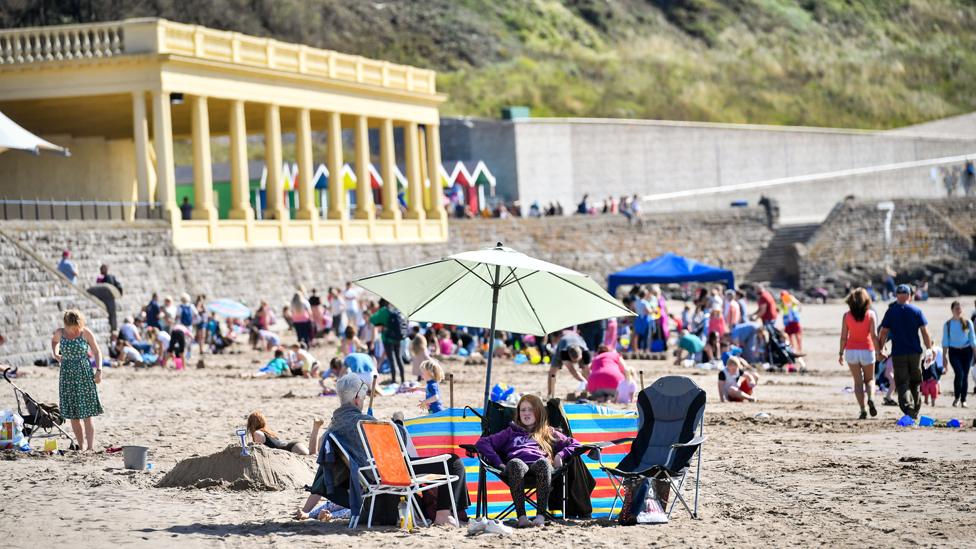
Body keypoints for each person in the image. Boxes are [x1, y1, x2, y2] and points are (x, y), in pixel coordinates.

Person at [299, 374, 469, 525]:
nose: (364, 401)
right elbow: (398, 442)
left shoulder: (334, 425)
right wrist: (399, 422)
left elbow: (324, 460)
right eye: (364, 397)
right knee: (453, 462)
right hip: (388, 473)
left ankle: (450, 513)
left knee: (446, 463)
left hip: (368, 477)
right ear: (357, 398)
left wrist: (306, 509)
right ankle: (444, 514)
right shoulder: (363, 422)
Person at [474, 394, 580, 528]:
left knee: (543, 463)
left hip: (542, 467)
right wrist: (499, 463)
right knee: (515, 463)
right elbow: (483, 443)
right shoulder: (510, 432)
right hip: (516, 468)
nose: (526, 413)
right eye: (523, 410)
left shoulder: (547, 432)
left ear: (539, 412)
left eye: (530, 409)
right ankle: (522, 517)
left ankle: (541, 515)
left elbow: (575, 444)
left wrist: (560, 455)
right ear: (518, 414)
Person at [878, 284, 934, 419]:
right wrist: (929, 349)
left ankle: (908, 408)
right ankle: (915, 408)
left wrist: (881, 348)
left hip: (899, 353)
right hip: (915, 352)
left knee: (902, 382)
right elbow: (925, 333)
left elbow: (883, 332)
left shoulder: (891, 311)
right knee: (915, 382)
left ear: (897, 295)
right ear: (909, 296)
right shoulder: (916, 311)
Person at [51, 310, 103, 451]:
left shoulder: (85, 332)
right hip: (67, 376)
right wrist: (56, 353)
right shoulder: (60, 332)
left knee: (87, 413)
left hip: (84, 374)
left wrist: (99, 370)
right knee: (73, 414)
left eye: (76, 326)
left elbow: (97, 352)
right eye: (71, 326)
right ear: (66, 323)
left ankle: (91, 447)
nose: (74, 329)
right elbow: (54, 341)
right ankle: (81, 446)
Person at [838, 288, 880, 419]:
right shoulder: (871, 314)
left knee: (857, 382)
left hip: (851, 351)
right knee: (870, 379)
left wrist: (840, 353)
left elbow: (844, 337)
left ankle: (863, 410)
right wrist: (879, 351)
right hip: (867, 350)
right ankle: (871, 398)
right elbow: (873, 336)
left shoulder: (846, 316)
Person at [942, 300, 975, 408]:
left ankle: (963, 400)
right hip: (954, 352)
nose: (958, 310)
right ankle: (957, 397)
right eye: (956, 308)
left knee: (964, 375)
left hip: (967, 352)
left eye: (960, 308)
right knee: (959, 373)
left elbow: (972, 339)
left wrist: (975, 353)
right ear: (952, 310)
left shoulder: (967, 322)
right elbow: (945, 342)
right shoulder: (947, 324)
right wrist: (944, 357)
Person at [369, 299, 407, 384]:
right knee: (399, 358)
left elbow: (372, 319)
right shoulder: (397, 309)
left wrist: (381, 324)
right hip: (398, 337)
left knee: (391, 360)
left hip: (387, 338)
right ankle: (403, 380)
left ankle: (394, 380)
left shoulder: (383, 311)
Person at [547, 330, 591, 399]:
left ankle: (588, 391)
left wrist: (589, 384)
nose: (575, 363)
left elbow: (588, 371)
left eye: (578, 360)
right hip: (563, 342)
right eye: (573, 361)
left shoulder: (586, 353)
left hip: (577, 339)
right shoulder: (563, 353)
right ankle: (550, 394)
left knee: (586, 371)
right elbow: (572, 371)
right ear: (569, 356)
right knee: (552, 372)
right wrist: (584, 381)